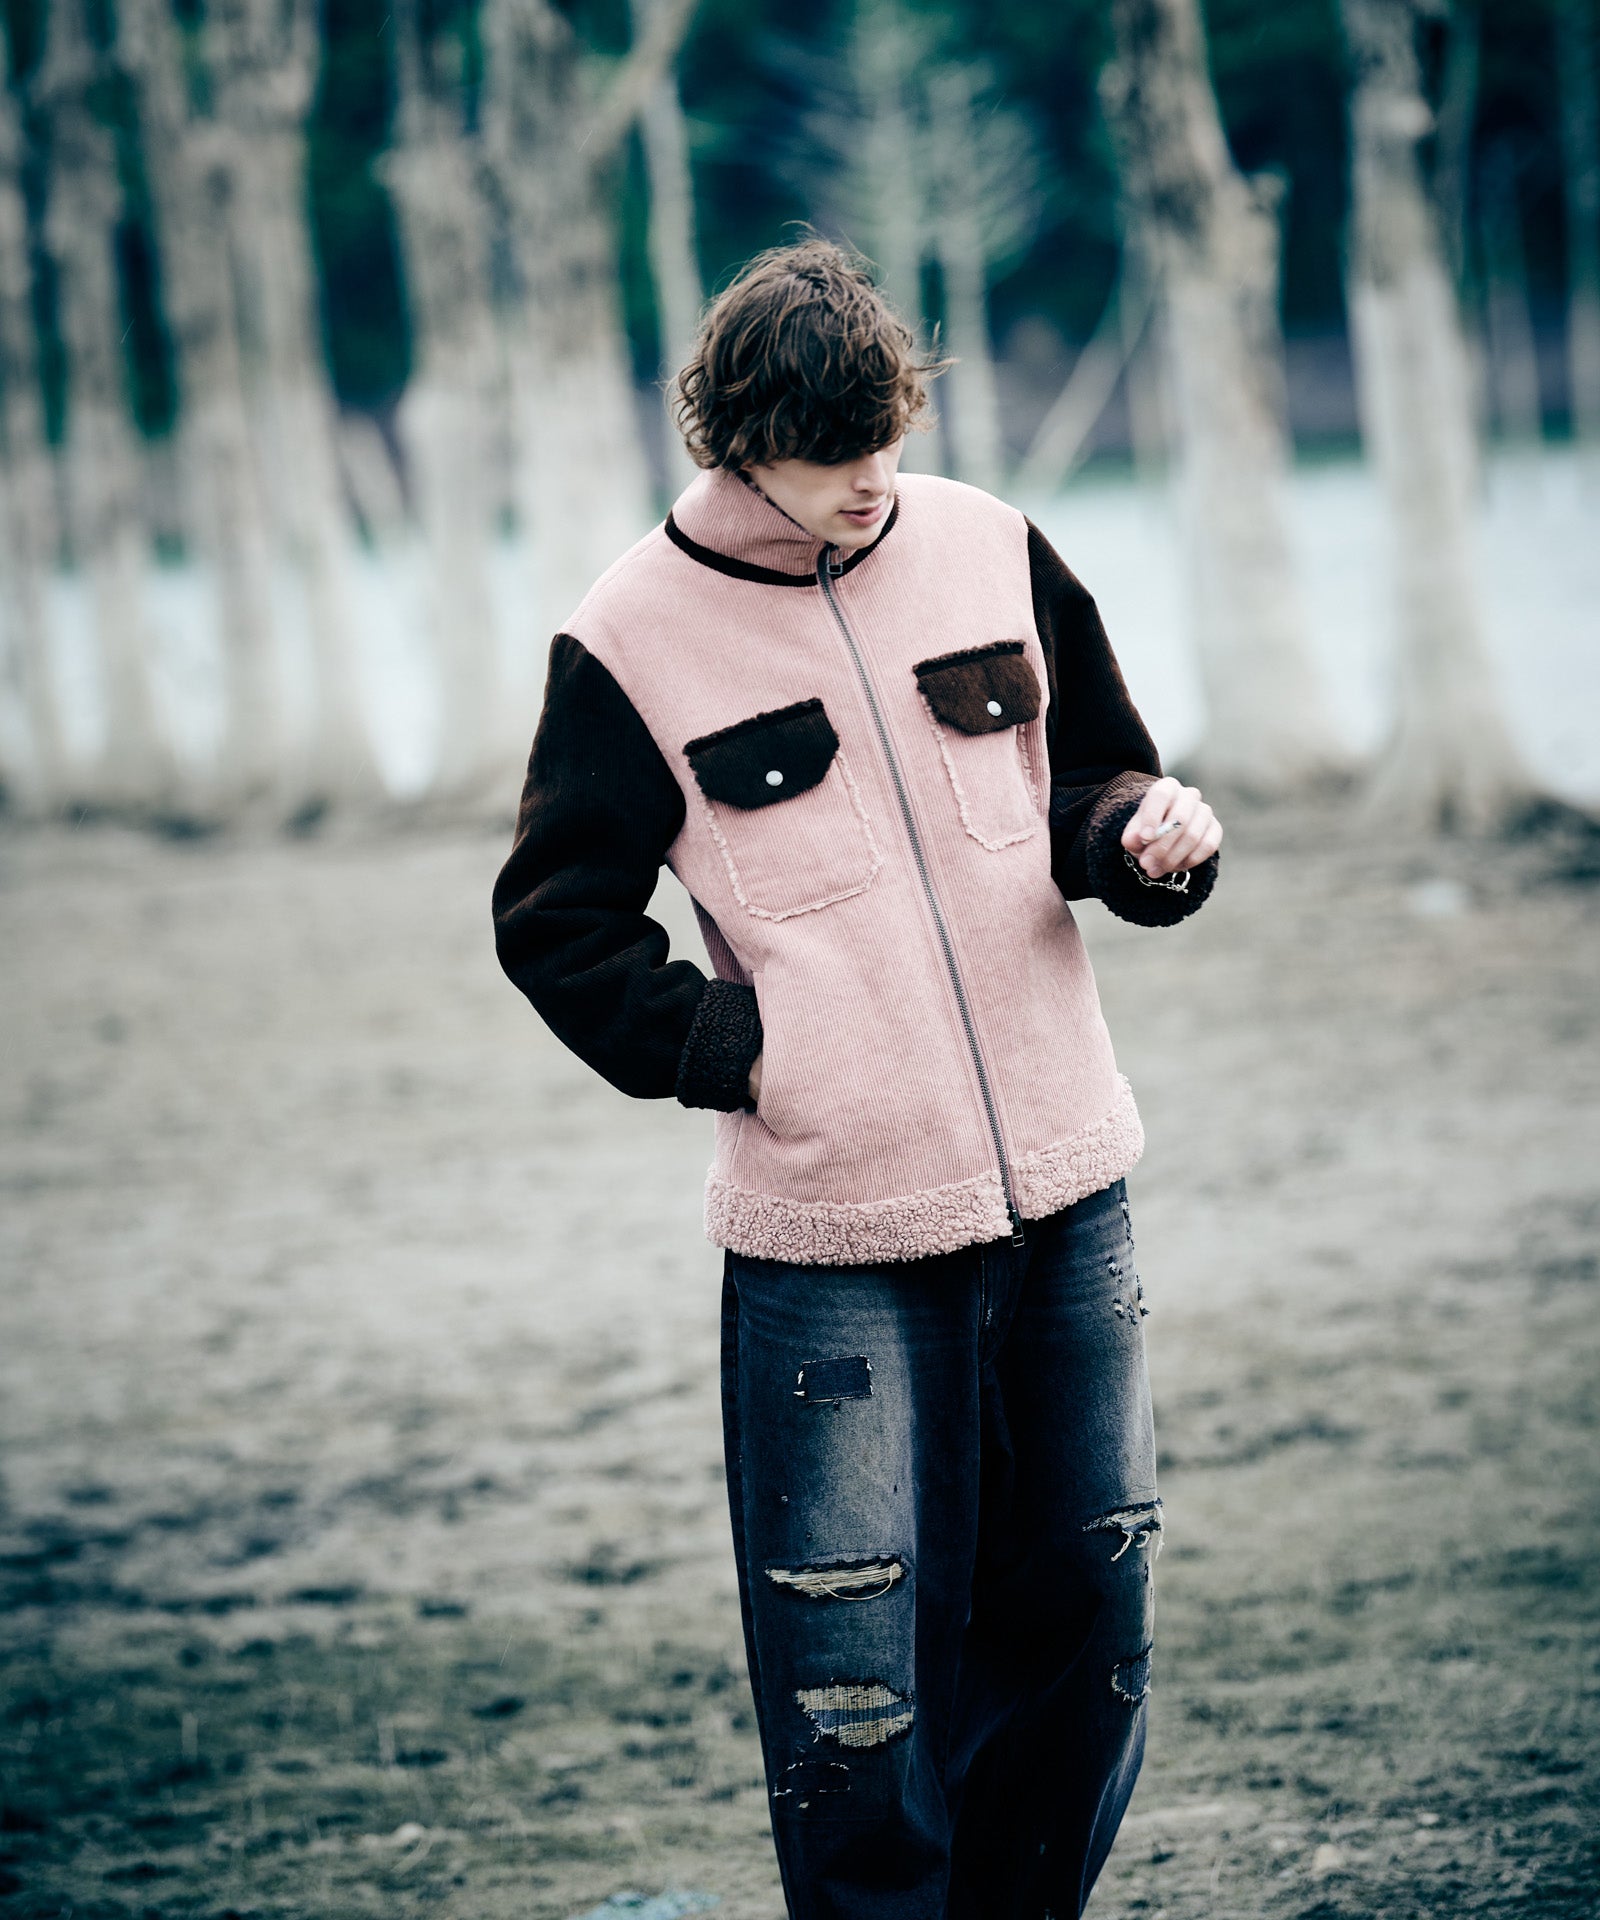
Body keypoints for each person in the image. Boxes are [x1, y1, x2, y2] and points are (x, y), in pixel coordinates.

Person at [493, 239, 1222, 1920]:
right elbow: (557, 923)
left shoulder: (992, 546)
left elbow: (1090, 784)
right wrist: (746, 1052)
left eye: (887, 439)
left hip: (1071, 1188)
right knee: (856, 1695)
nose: (872, 484)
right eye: (832, 459)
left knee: (1093, 1626)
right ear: (739, 439)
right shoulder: (627, 638)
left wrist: (1146, 837)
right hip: (835, 1244)